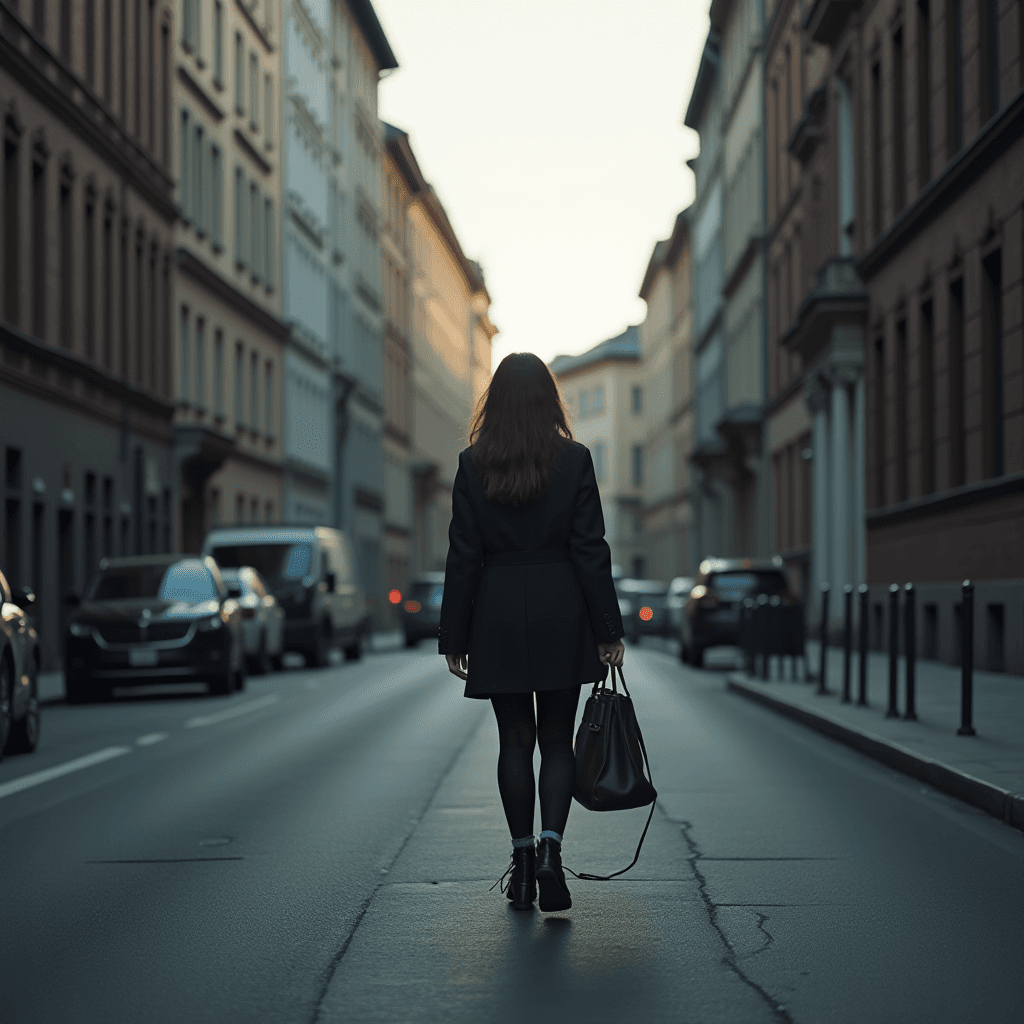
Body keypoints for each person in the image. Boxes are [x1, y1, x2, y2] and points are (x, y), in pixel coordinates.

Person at [438, 352, 626, 913]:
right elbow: (590, 549)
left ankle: (521, 867)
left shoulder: (474, 465)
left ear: (493, 403)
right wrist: (607, 628)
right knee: (557, 740)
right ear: (550, 400)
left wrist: (454, 635)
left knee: (514, 740)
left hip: (497, 612)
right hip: (560, 609)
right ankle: (551, 851)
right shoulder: (574, 460)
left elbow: (462, 557)